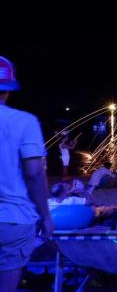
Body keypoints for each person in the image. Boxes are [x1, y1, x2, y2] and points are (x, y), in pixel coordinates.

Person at [0, 56, 53, 292]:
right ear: (8, 90)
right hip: (13, 219)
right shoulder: (24, 122)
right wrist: (45, 214)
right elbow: (33, 173)